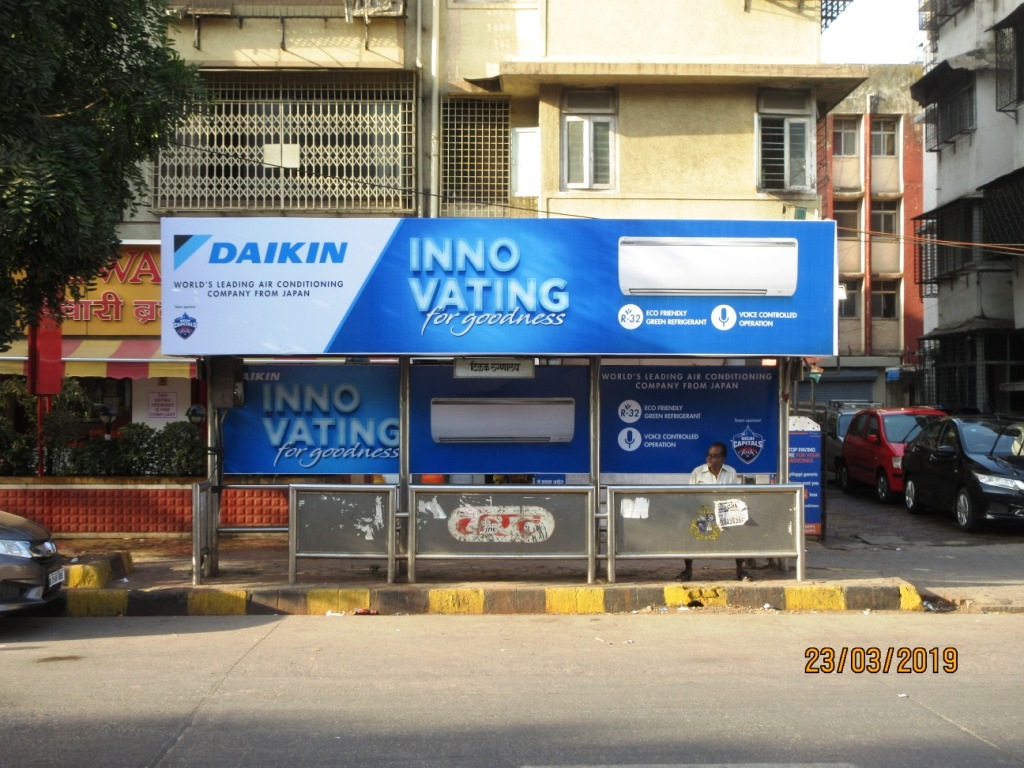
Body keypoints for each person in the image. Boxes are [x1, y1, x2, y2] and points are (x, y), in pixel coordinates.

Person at [678, 441, 751, 582]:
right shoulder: (698, 472)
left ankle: (740, 570)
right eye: (708, 455)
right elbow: (690, 496)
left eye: (714, 456)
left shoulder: (731, 472)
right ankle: (688, 570)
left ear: (722, 459)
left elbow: (734, 496)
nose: (709, 459)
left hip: (724, 513)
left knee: (741, 529)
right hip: (702, 512)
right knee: (687, 528)